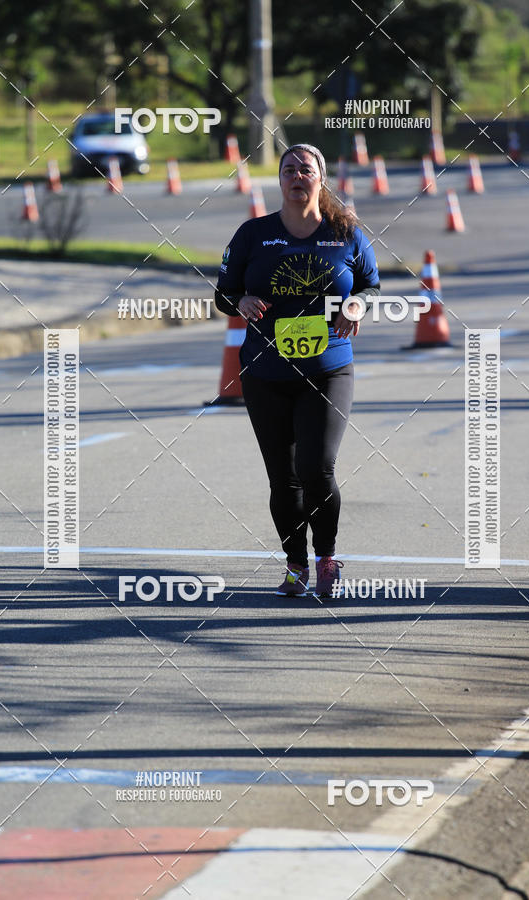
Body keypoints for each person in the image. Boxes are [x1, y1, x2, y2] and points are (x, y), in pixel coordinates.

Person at [215, 143, 379, 598]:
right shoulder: (253, 234)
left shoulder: (345, 232)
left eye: (305, 169)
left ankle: (327, 558)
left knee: (316, 466)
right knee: (282, 477)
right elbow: (224, 293)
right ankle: (295, 565)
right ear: (280, 180)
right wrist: (241, 301)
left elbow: (370, 284)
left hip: (328, 370)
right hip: (266, 373)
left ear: (320, 179)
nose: (296, 176)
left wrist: (357, 303)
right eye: (288, 170)